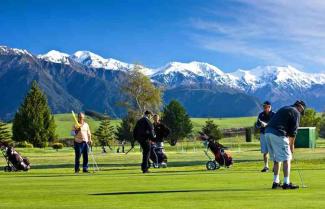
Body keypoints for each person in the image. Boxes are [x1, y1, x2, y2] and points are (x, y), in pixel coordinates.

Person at [265, 100, 306, 189]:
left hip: (267, 133)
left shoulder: (285, 108)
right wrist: (292, 146)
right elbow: (293, 132)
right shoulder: (296, 112)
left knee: (277, 158)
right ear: (300, 107)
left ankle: (275, 182)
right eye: (302, 110)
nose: (301, 113)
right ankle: (286, 183)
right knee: (287, 158)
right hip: (278, 133)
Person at [256, 101, 275, 172]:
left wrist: (266, 124)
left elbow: (275, 124)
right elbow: (257, 125)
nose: (264, 108)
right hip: (263, 134)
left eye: (265, 106)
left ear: (269, 107)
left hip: (271, 134)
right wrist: (260, 124)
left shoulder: (274, 114)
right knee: (265, 151)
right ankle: (266, 166)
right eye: (263, 106)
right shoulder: (261, 114)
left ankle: (275, 166)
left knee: (273, 151)